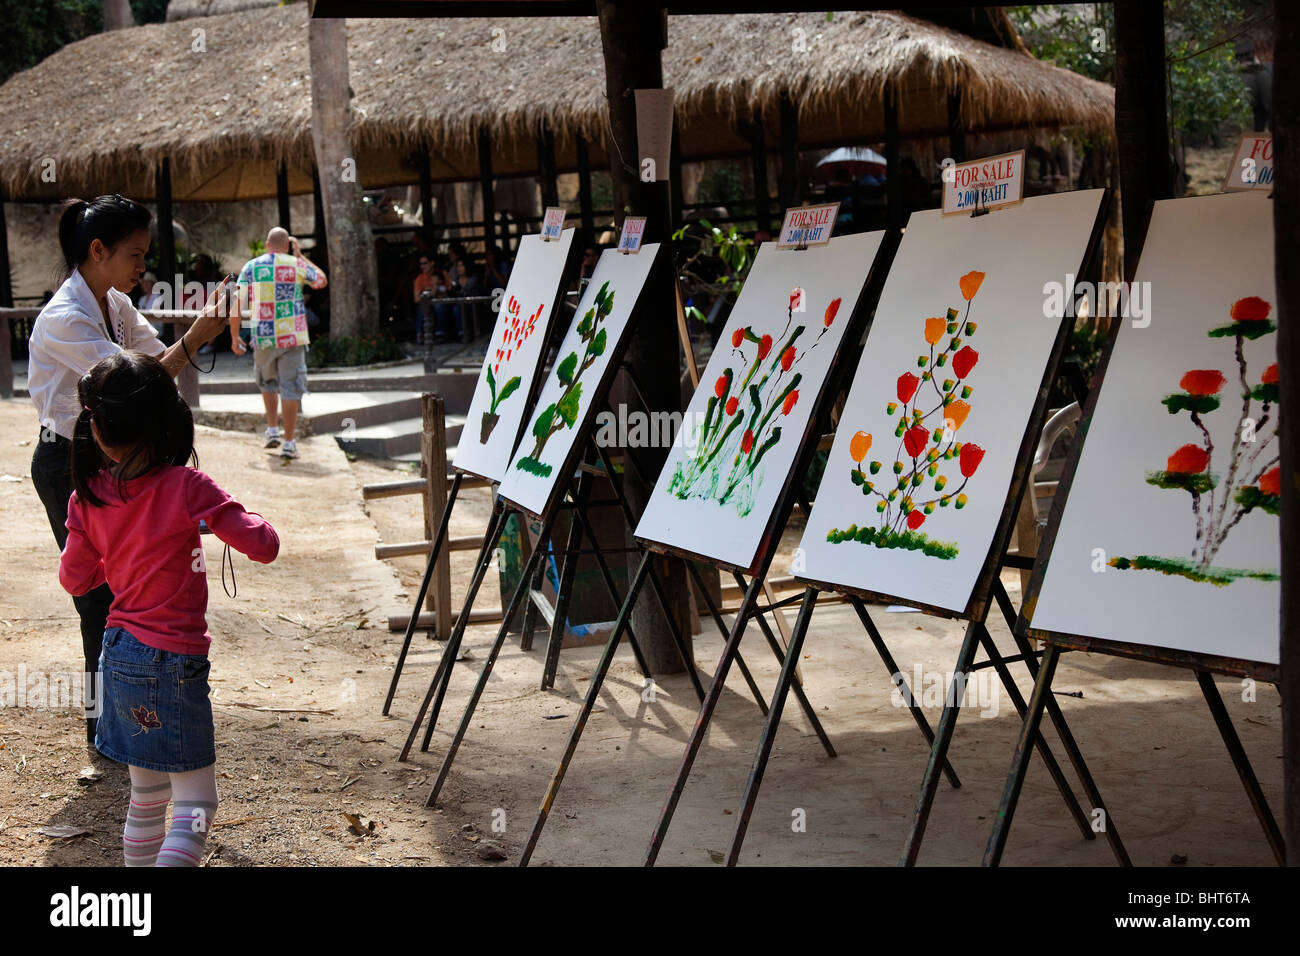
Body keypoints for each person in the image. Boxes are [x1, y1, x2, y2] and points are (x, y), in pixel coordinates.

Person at [60, 351, 279, 866]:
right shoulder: (188, 487)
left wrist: (109, 555)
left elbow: (75, 577)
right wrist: (236, 515)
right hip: (173, 663)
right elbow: (264, 545)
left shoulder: (86, 496)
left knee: (147, 796)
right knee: (198, 804)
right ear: (164, 423)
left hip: (118, 656)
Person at [28, 194, 232, 745]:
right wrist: (198, 336)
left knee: (132, 595)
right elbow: (137, 384)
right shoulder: (65, 319)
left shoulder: (114, 303)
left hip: (119, 457)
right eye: (136, 254)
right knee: (97, 599)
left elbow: (152, 358)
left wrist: (190, 341)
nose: (143, 266)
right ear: (99, 250)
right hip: (71, 461)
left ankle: (132, 720)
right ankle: (108, 730)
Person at [230, 227, 327, 458]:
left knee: (267, 383)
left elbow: (237, 302)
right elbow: (321, 281)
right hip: (293, 336)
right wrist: (300, 256)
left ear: (266, 244)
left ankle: (272, 430)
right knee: (291, 387)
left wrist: (235, 336)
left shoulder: (251, 267)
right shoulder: (296, 264)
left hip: (263, 336)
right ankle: (289, 443)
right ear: (287, 246)